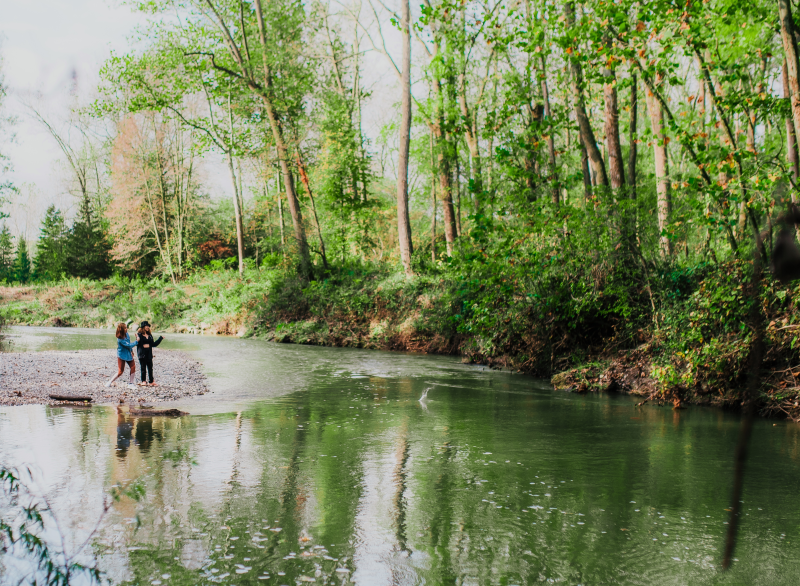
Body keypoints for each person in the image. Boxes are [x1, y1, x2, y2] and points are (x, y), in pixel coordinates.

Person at [106, 322, 138, 389]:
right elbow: (128, 345)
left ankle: (131, 383)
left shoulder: (127, 334)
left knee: (133, 367)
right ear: (122, 329)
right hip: (121, 355)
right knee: (120, 371)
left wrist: (131, 351)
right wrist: (137, 341)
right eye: (125, 328)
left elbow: (128, 343)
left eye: (126, 327)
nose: (127, 329)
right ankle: (110, 382)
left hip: (128, 354)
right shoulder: (120, 339)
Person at [136, 321, 164, 386]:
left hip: (149, 353)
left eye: (148, 326)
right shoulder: (139, 335)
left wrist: (160, 338)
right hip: (142, 353)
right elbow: (138, 343)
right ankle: (143, 381)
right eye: (146, 326)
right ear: (143, 327)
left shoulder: (150, 335)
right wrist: (137, 338)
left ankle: (151, 381)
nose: (148, 327)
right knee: (143, 368)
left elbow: (153, 344)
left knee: (150, 367)